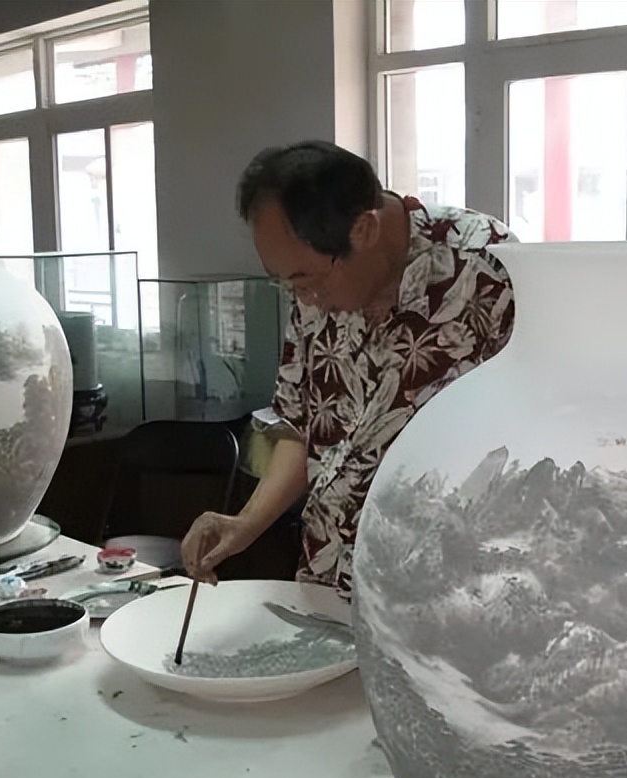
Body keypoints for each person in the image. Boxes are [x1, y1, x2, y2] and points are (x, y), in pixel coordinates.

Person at [181, 140, 517, 598]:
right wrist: (246, 522)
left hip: (438, 592)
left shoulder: (486, 266)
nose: (302, 297)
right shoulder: (313, 280)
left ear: (364, 229)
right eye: (285, 282)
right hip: (328, 572)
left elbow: (530, 434)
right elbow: (301, 429)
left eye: (305, 279)